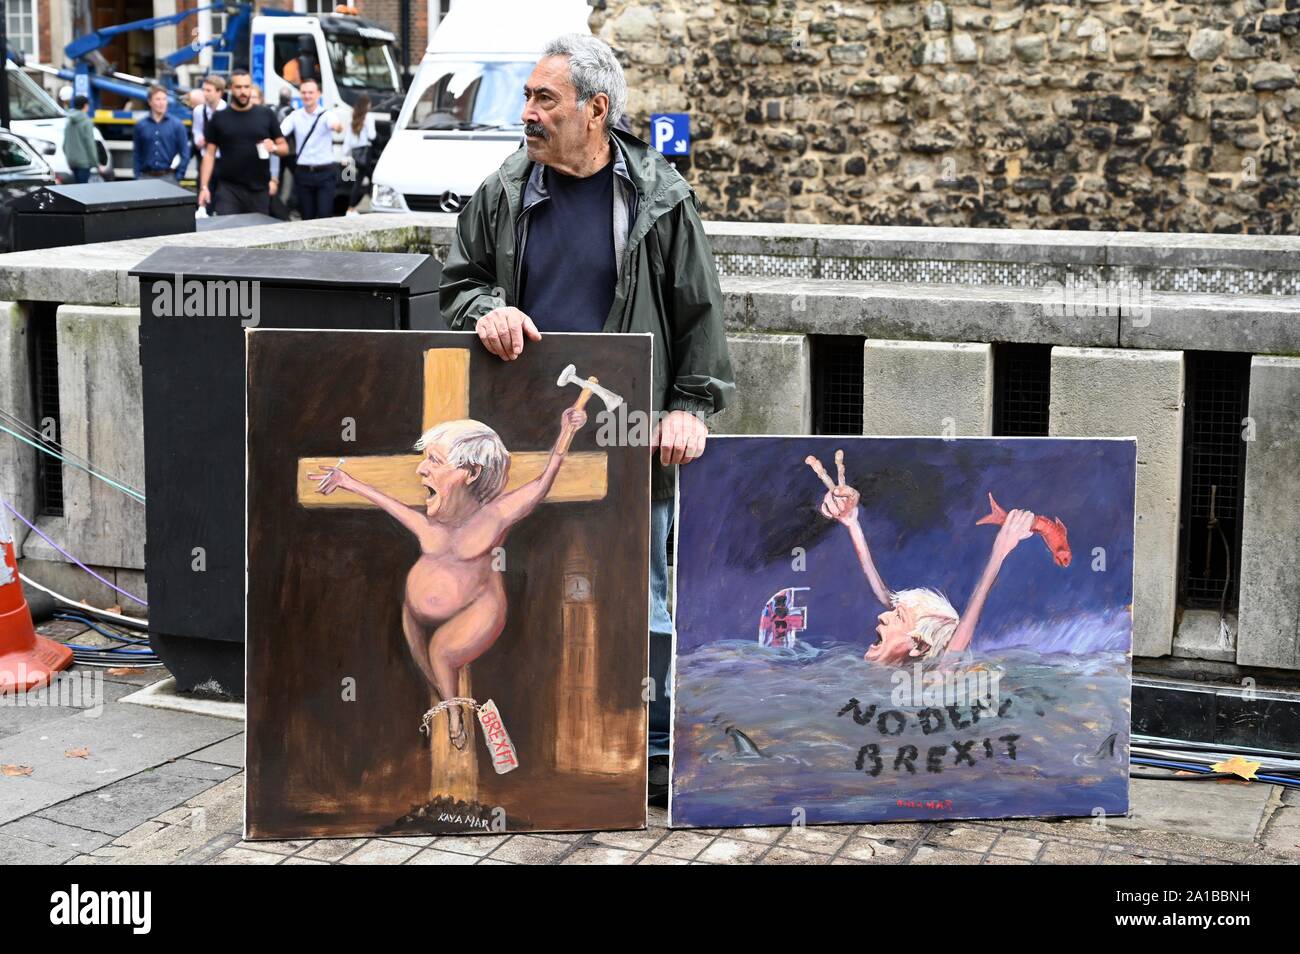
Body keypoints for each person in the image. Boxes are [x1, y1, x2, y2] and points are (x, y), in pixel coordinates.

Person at [438, 33, 735, 803]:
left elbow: (698, 312)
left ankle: (657, 754)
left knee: (644, 596)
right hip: (525, 435)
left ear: (596, 109)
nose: (527, 113)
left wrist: (690, 406)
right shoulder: (503, 191)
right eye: (528, 97)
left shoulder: (660, 198)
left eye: (545, 99)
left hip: (630, 435)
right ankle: (536, 749)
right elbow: (459, 281)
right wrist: (487, 310)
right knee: (525, 587)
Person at [308, 410, 589, 750]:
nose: (421, 469)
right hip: (416, 616)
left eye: (435, 461)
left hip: (479, 608)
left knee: (441, 652)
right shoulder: (430, 523)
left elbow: (543, 482)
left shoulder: (494, 517)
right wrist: (348, 482)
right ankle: (452, 702)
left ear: (470, 472)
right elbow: (389, 504)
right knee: (424, 651)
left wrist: (566, 432)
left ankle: (456, 714)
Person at [809, 449, 1037, 665]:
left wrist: (999, 553)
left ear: (920, 646)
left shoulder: (931, 682)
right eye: (894, 614)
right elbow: (884, 595)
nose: (881, 617)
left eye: (899, 618)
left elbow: (957, 645)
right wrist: (852, 523)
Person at [198, 70, 288, 216]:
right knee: (229, 234)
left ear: (251, 87)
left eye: (246, 87)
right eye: (238, 87)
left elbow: (284, 148)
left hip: (259, 190)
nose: (243, 92)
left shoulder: (266, 115)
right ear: (230, 88)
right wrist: (204, 187)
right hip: (228, 189)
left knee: (258, 236)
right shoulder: (219, 118)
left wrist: (274, 147)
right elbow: (209, 155)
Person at [279, 77, 342, 219]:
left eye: (311, 92)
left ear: (318, 94)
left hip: (325, 173)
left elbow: (335, 124)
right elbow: (280, 132)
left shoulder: (327, 115)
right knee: (307, 217)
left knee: (324, 214)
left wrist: (337, 127)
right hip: (303, 173)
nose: (307, 96)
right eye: (304, 92)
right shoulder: (295, 116)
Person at [132, 85, 189, 183]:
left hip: (169, 177)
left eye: (164, 99)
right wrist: (138, 176)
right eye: (157, 99)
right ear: (150, 102)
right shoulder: (140, 125)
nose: (161, 103)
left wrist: (178, 176)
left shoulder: (177, 125)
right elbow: (137, 153)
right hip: (146, 178)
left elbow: (185, 153)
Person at [343, 92, 377, 215]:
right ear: (367, 105)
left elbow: (348, 139)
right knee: (374, 178)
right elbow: (372, 135)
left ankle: (351, 208)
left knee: (360, 180)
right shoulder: (369, 117)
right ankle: (353, 207)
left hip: (356, 154)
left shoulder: (354, 116)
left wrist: (345, 154)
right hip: (366, 152)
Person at [63, 95, 98, 184]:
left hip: (72, 161)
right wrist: (96, 163)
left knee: (76, 189)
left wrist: (69, 158)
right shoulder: (86, 121)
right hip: (84, 162)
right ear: (85, 106)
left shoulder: (69, 120)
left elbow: (64, 144)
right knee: (83, 190)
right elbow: (90, 144)